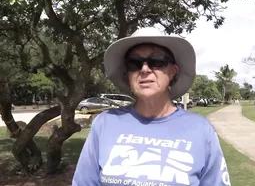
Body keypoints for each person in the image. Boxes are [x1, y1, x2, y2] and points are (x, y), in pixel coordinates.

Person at [72, 27, 231, 186]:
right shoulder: (104, 123)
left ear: (173, 71)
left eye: (157, 61)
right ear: (128, 74)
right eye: (135, 63)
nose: (145, 69)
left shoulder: (201, 130)